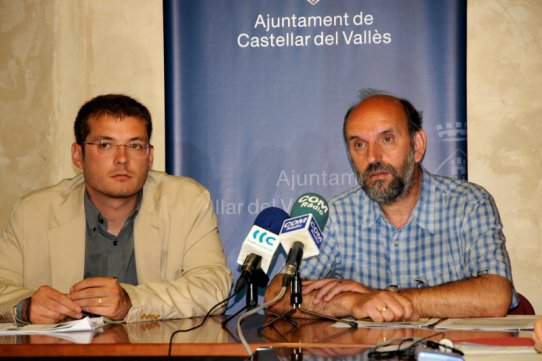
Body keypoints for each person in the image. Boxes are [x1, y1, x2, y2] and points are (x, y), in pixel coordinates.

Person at [265, 90, 517, 322]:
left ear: (417, 146)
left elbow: (495, 296)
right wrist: (354, 302)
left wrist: (382, 297)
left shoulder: (469, 204)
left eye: (387, 139)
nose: (373, 157)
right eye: (359, 145)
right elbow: (276, 295)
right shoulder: (338, 215)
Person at [0, 94, 232, 324]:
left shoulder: (186, 201)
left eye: (134, 145)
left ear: (149, 157)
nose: (122, 159)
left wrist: (132, 302)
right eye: (105, 145)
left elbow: (213, 286)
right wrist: (25, 306)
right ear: (78, 155)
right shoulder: (34, 212)